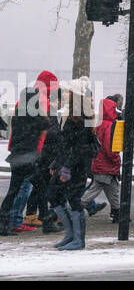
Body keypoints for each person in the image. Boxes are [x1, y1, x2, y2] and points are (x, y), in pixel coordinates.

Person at [46, 90, 98, 251]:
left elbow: (77, 148)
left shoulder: (77, 121)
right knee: (55, 195)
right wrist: (56, 163)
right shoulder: (76, 120)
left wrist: (66, 167)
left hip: (74, 166)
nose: (66, 101)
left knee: (73, 199)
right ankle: (71, 236)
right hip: (69, 164)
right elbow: (67, 145)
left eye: (69, 99)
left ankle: (77, 239)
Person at [0, 82, 52, 236]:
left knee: (13, 191)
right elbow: (47, 124)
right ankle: (47, 221)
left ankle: (3, 223)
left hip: (16, 157)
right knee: (41, 188)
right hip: (28, 158)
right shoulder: (36, 117)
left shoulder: (18, 115)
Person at [83, 97, 122, 223]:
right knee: (94, 191)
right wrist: (116, 159)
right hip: (106, 165)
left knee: (113, 189)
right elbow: (109, 148)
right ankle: (69, 211)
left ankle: (116, 212)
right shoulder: (110, 126)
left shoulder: (98, 124)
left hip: (99, 163)